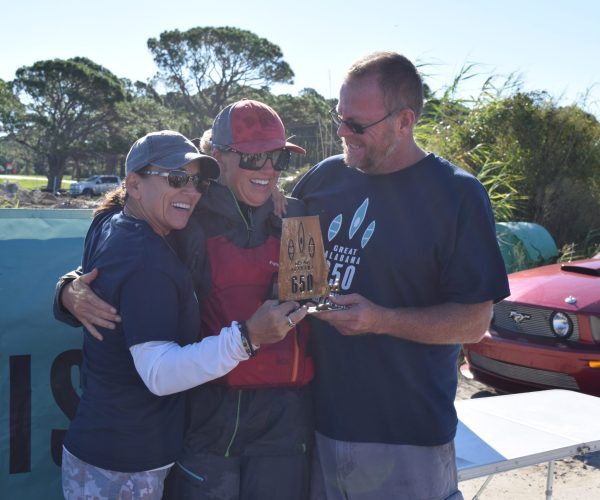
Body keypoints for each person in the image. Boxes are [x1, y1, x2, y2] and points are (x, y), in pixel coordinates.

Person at [55, 101, 314, 500]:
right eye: (255, 157)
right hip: (205, 429)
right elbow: (119, 252)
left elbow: (307, 303)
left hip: (282, 431)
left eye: (277, 158)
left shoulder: (294, 215)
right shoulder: (183, 215)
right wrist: (68, 289)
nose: (269, 169)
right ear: (218, 157)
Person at [291, 52, 510, 500]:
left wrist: (380, 319)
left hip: (406, 433)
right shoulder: (321, 181)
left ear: (405, 120)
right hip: (314, 424)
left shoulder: (456, 195)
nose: (342, 133)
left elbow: (474, 322)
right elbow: (269, 254)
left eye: (357, 124)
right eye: (339, 118)